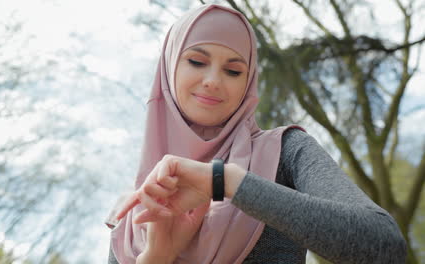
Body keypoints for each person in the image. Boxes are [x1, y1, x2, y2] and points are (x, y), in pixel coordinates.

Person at [106, 4, 407, 264]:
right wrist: (156, 258)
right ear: (169, 68)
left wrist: (224, 181)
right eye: (197, 61)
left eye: (234, 71)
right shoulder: (135, 213)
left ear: (248, 82)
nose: (212, 81)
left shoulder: (286, 152)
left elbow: (384, 246)